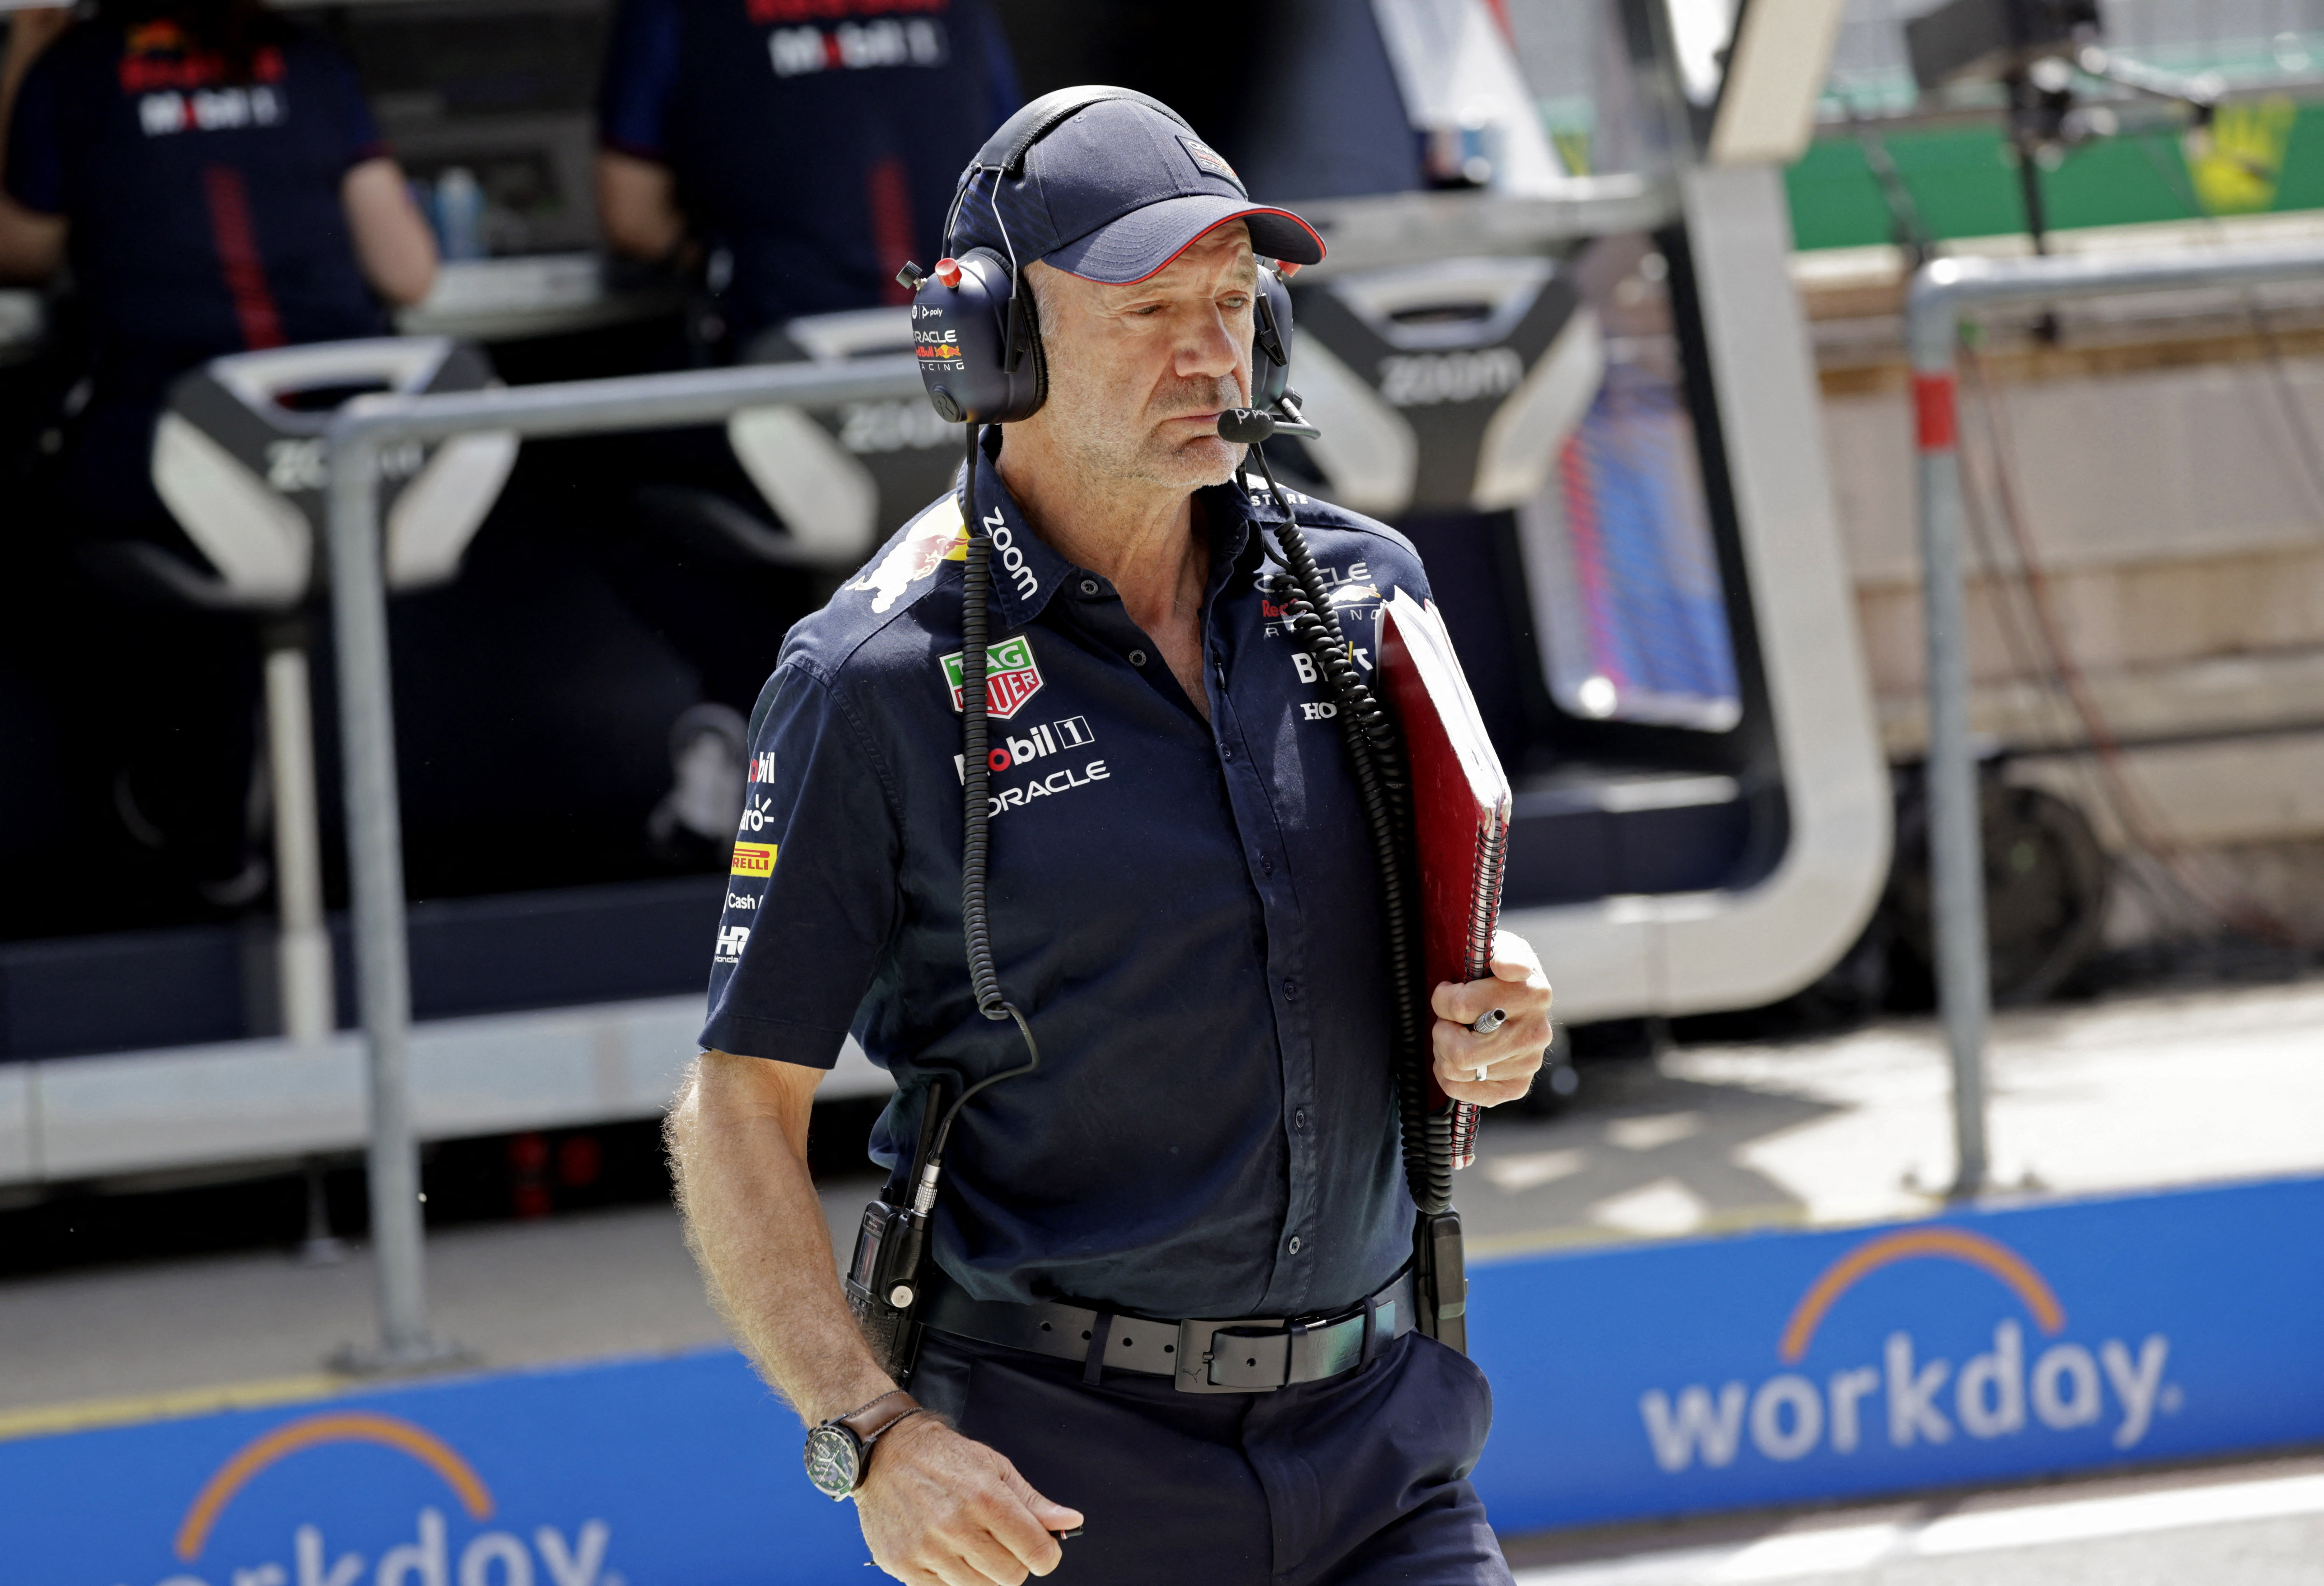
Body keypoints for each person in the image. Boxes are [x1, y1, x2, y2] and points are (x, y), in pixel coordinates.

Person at [668, 92, 1553, 1584]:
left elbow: (1430, 937)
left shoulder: (1363, 592)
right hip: (1057, 1485)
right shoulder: (870, 681)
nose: (1211, 352)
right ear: (991, 344)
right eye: (1151, 310)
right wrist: (870, 1434)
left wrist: (1494, 999)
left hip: (1385, 1442)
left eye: (1232, 303)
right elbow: (735, 1105)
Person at [0, 0, 435, 906]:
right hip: (345, 458)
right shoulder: (313, 65)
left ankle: (186, 818)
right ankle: (225, 825)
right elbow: (408, 273)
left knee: (62, 518)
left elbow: (20, 252)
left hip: (177, 456)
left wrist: (22, 55)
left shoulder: (77, 69)